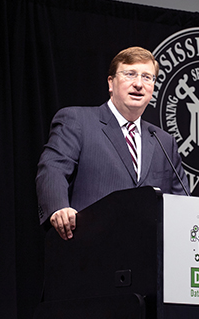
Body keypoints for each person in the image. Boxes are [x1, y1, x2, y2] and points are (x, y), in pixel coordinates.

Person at [36, 46, 189, 240]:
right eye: (130, 74)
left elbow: (181, 201)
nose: (139, 84)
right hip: (89, 250)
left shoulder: (164, 141)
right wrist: (59, 208)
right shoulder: (78, 121)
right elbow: (53, 169)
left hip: (148, 256)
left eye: (147, 77)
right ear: (111, 82)